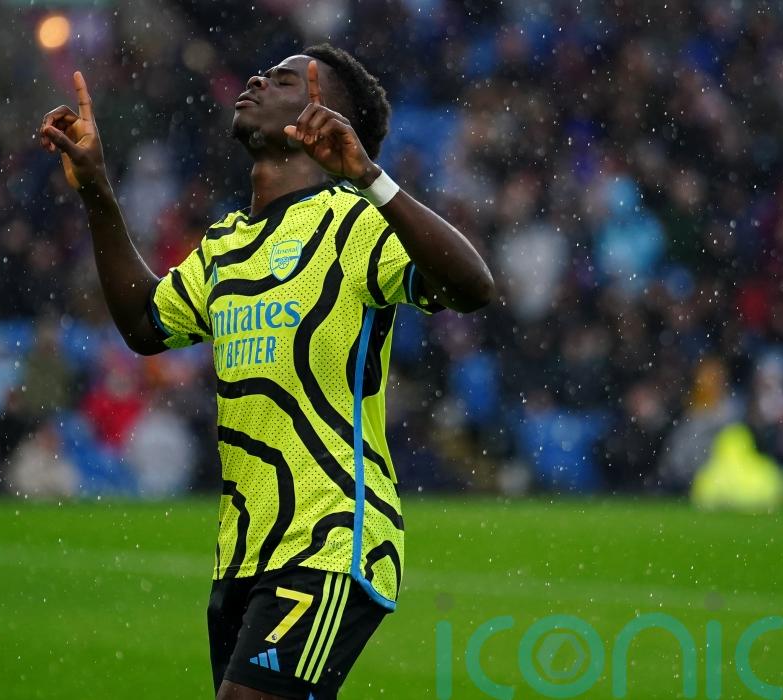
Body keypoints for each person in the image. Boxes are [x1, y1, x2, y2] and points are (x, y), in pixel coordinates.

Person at [39, 44, 493, 699]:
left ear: (323, 115)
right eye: (263, 72)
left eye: (282, 79)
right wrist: (97, 189)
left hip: (330, 536)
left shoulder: (356, 223)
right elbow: (144, 323)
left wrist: (370, 177)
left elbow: (472, 287)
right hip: (244, 552)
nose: (256, 78)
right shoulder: (227, 243)